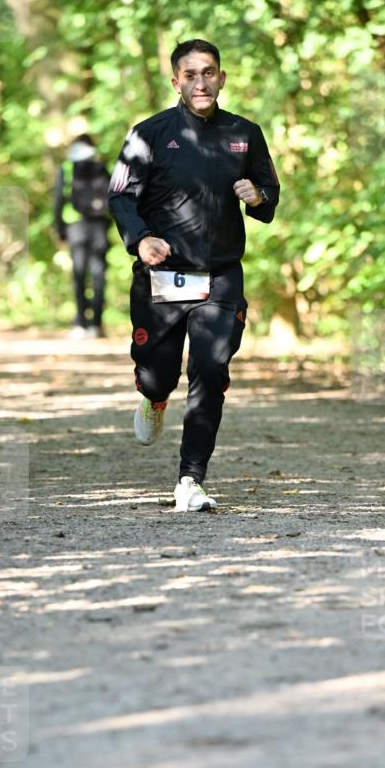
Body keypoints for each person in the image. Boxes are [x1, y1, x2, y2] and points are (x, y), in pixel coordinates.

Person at [109, 38, 280, 512]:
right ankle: (153, 396)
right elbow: (120, 196)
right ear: (176, 81)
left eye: (209, 73)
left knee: (211, 368)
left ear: (222, 78)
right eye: (190, 75)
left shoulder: (245, 134)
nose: (200, 82)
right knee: (158, 372)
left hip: (221, 276)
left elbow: (269, 192)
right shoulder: (148, 133)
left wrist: (258, 196)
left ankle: (191, 478)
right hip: (162, 274)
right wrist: (141, 238)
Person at [54, 133, 111, 338]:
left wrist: (60, 230)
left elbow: (58, 200)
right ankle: (96, 324)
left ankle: (80, 322)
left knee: (79, 275)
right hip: (99, 227)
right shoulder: (100, 166)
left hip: (75, 227)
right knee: (98, 275)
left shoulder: (67, 168)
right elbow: (112, 198)